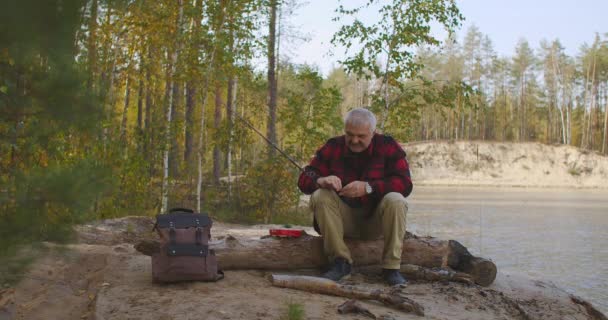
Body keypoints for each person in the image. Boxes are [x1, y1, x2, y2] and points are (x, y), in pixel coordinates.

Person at [297, 107, 413, 285]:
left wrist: (368, 187)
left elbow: (404, 184)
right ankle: (340, 263)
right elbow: (306, 177)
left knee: (396, 200)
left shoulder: (388, 146)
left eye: (361, 136)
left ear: (373, 133)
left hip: (376, 222)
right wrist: (321, 180)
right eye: (349, 134)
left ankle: (391, 268)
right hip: (343, 221)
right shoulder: (333, 146)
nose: (354, 140)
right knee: (320, 195)